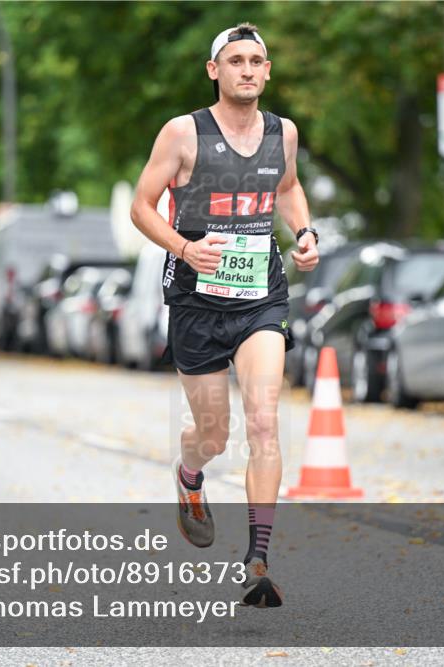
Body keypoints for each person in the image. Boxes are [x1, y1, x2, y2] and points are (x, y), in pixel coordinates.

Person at [130, 23, 319, 608]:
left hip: (261, 296)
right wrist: (184, 248)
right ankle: (190, 475)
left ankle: (257, 558)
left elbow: (287, 188)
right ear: (214, 70)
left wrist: (305, 232)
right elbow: (141, 206)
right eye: (235, 60)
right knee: (213, 433)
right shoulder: (183, 133)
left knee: (263, 421)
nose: (247, 70)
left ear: (268, 71)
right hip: (195, 299)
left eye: (256, 61)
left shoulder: (283, 133)